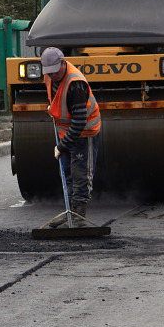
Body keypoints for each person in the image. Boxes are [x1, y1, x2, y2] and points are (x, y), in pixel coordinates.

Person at [41, 46, 101, 218]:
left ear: (63, 63)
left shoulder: (76, 84)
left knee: (80, 173)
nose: (53, 75)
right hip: (66, 132)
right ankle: (71, 213)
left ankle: (79, 215)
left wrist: (61, 147)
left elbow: (80, 121)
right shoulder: (49, 76)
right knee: (66, 172)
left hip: (84, 131)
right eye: (49, 73)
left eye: (55, 71)